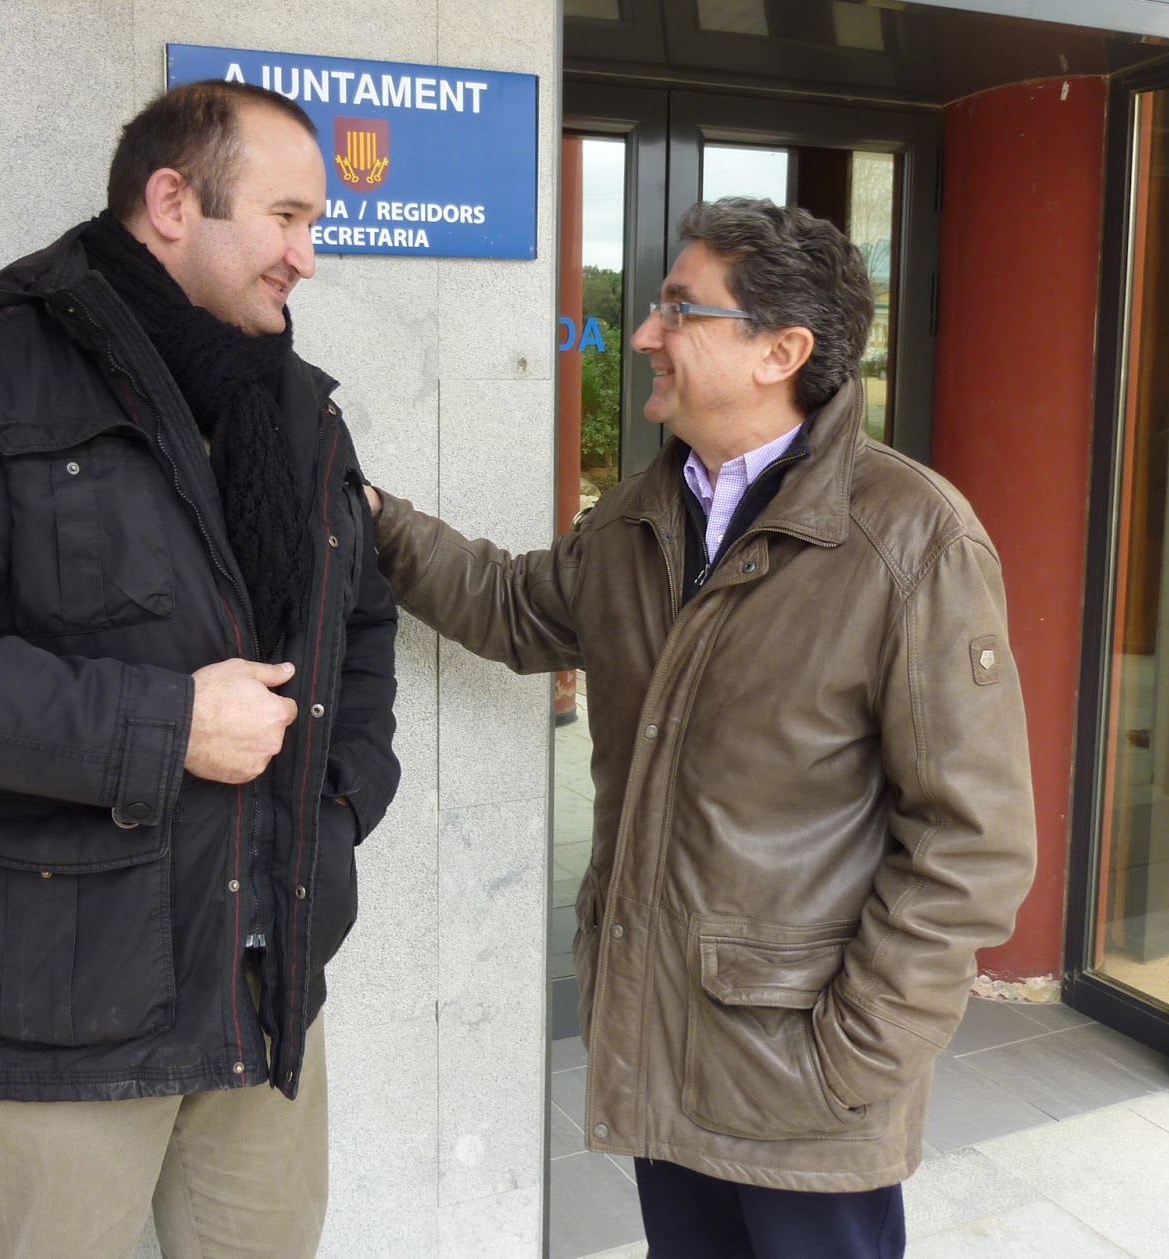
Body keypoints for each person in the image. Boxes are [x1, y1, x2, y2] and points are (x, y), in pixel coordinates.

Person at [363, 199, 1037, 1258]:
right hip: (660, 1047)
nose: (644, 333)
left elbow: (972, 842)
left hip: (807, 1086)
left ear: (780, 351)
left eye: (680, 309)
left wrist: (854, 1060)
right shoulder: (638, 516)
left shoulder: (911, 540)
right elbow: (511, 604)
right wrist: (368, 515)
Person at [0, 80, 399, 1259]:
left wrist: (337, 804)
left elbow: (360, 627)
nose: (307, 256)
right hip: (61, 1004)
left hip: (266, 982)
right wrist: (168, 724)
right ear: (172, 202)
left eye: (314, 224)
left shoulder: (299, 411)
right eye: (286, 218)